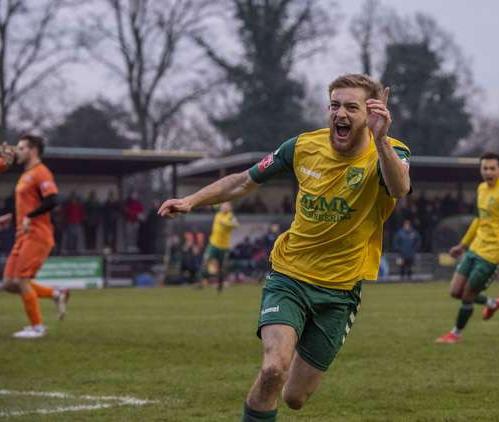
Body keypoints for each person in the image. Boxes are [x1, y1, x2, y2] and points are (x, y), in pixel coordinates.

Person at [158, 74, 410, 421]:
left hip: (340, 291)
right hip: (289, 276)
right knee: (273, 369)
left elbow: (399, 188)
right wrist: (191, 200)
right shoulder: (302, 146)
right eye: (335, 105)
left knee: (294, 397)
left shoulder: (391, 152)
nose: (341, 113)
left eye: (352, 107)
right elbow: (244, 180)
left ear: (370, 114)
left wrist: (381, 141)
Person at [435, 152, 499, 344]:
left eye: (492, 168)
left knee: (468, 295)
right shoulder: (481, 189)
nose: (488, 172)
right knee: (455, 291)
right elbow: (478, 220)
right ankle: (491, 303)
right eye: (485, 168)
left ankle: (455, 334)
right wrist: (462, 245)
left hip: (492, 256)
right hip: (475, 248)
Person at [0, 135, 69, 338]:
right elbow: (30, 204)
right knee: (9, 283)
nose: (17, 151)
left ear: (33, 150)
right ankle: (56, 293)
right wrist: (11, 217)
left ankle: (37, 327)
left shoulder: (41, 172)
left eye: (21, 148)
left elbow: (53, 200)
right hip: (22, 234)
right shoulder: (26, 174)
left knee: (21, 280)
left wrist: (29, 216)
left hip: (37, 234)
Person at [201, 202, 239, 292]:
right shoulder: (218, 213)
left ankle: (220, 284)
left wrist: (225, 223)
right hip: (213, 243)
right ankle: (202, 281)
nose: (224, 206)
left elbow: (236, 224)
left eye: (227, 205)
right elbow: (214, 201)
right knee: (206, 260)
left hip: (224, 247)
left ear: (230, 208)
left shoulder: (230, 216)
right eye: (223, 205)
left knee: (221, 267)